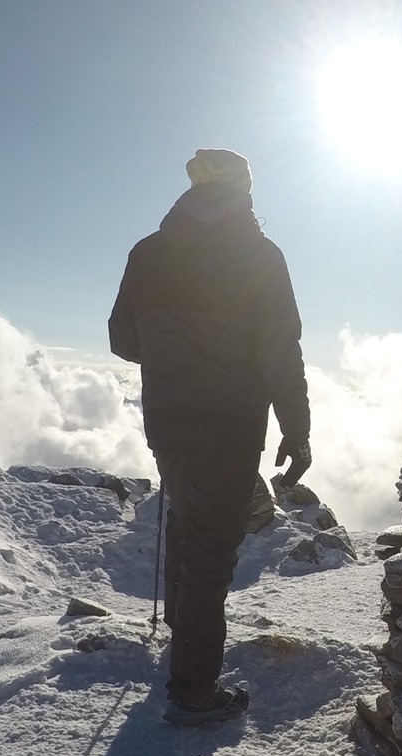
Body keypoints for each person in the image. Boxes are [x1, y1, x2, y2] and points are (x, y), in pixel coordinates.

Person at [109, 148, 311, 726]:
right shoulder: (259, 256)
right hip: (231, 422)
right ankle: (194, 691)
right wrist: (297, 432)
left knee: (186, 520)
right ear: (245, 189)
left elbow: (124, 340)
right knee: (209, 551)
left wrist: (173, 349)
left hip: (168, 417)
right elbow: (279, 351)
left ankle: (183, 639)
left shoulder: (148, 252)